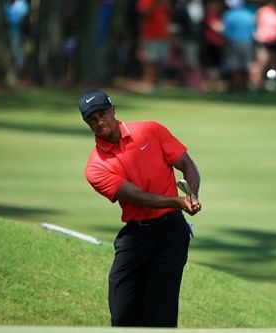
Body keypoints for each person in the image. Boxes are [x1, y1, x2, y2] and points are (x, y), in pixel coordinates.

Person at [78, 89, 202, 327]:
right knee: (122, 312)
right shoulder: (95, 168)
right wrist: (178, 201)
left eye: (102, 114)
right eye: (91, 119)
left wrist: (192, 194)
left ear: (113, 110)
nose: (99, 122)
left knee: (161, 315)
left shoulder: (150, 130)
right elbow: (136, 197)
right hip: (136, 235)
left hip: (171, 233)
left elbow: (186, 164)